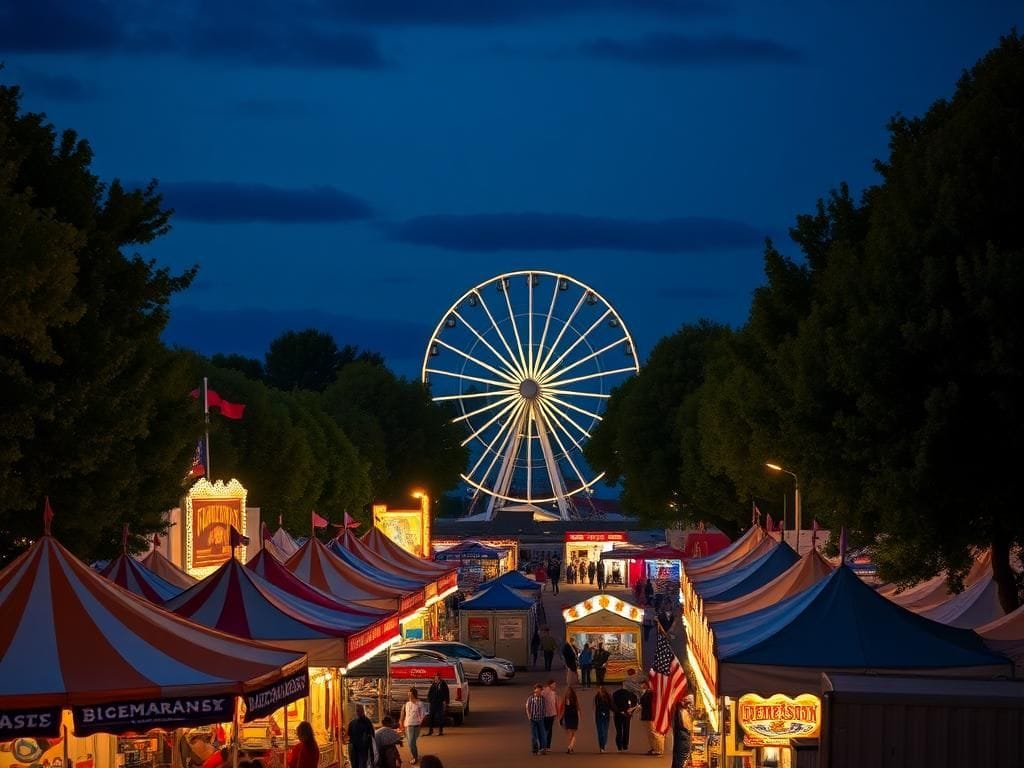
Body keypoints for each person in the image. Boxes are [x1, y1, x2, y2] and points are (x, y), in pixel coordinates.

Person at [399, 688, 427, 766]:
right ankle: (415, 757)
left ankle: (415, 756)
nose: (409, 696)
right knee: (411, 743)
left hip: (416, 725)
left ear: (414, 695)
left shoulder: (420, 704)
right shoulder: (407, 704)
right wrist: (401, 723)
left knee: (412, 742)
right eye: (408, 694)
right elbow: (403, 714)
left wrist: (420, 721)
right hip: (408, 725)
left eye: (410, 694)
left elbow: (423, 714)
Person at [612, 678, 639, 752]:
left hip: (618, 714)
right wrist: (630, 711)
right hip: (627, 714)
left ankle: (619, 746)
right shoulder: (631, 694)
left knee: (618, 730)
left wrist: (619, 711)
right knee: (626, 729)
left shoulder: (615, 694)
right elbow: (635, 703)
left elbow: (613, 704)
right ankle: (625, 745)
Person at [639, 679, 664, 756]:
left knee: (654, 733)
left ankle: (659, 749)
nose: (641, 686)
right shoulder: (647, 692)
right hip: (647, 715)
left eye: (642, 684)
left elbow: (646, 703)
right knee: (650, 734)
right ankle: (654, 748)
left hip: (651, 715)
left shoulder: (651, 693)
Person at [671, 695, 694, 768]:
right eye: (689, 703)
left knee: (680, 759)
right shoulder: (681, 710)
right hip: (682, 737)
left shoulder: (681, 710)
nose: (691, 705)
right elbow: (685, 725)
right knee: (680, 760)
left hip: (682, 736)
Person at [526, 684, 547, 755]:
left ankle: (543, 748)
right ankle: (535, 749)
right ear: (534, 690)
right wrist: (529, 716)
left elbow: (544, 707)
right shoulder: (531, 698)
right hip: (533, 719)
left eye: (540, 691)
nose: (538, 692)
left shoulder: (543, 699)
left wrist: (543, 714)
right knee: (534, 735)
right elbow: (527, 707)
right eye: (537, 691)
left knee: (542, 734)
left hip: (540, 719)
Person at [558, 685, 580, 754]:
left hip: (568, 716)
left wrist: (560, 717)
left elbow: (563, 708)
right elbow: (578, 708)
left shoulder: (566, 699)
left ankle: (570, 747)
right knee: (573, 733)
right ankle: (571, 747)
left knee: (569, 733)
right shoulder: (575, 698)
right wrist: (579, 717)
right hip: (574, 716)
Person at [593, 686, 613, 753]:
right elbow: (597, 706)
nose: (598, 690)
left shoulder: (608, 697)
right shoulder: (597, 697)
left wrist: (618, 711)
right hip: (599, 716)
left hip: (606, 716)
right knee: (600, 731)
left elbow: (611, 706)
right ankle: (602, 746)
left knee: (605, 731)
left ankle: (603, 744)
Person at [541, 679, 559, 751]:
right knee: (548, 730)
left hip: (548, 714)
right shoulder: (548, 692)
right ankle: (546, 746)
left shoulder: (551, 692)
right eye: (554, 684)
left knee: (547, 729)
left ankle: (546, 746)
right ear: (550, 684)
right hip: (549, 714)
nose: (555, 686)